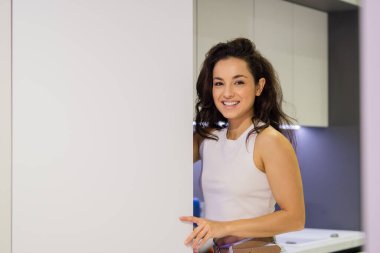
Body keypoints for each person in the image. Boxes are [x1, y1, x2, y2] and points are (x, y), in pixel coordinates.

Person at [179, 38, 305, 253]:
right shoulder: (208, 138)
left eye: (238, 82)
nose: (227, 93)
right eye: (219, 83)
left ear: (259, 86)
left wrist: (222, 227)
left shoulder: (269, 141)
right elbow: (164, 161)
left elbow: (294, 218)